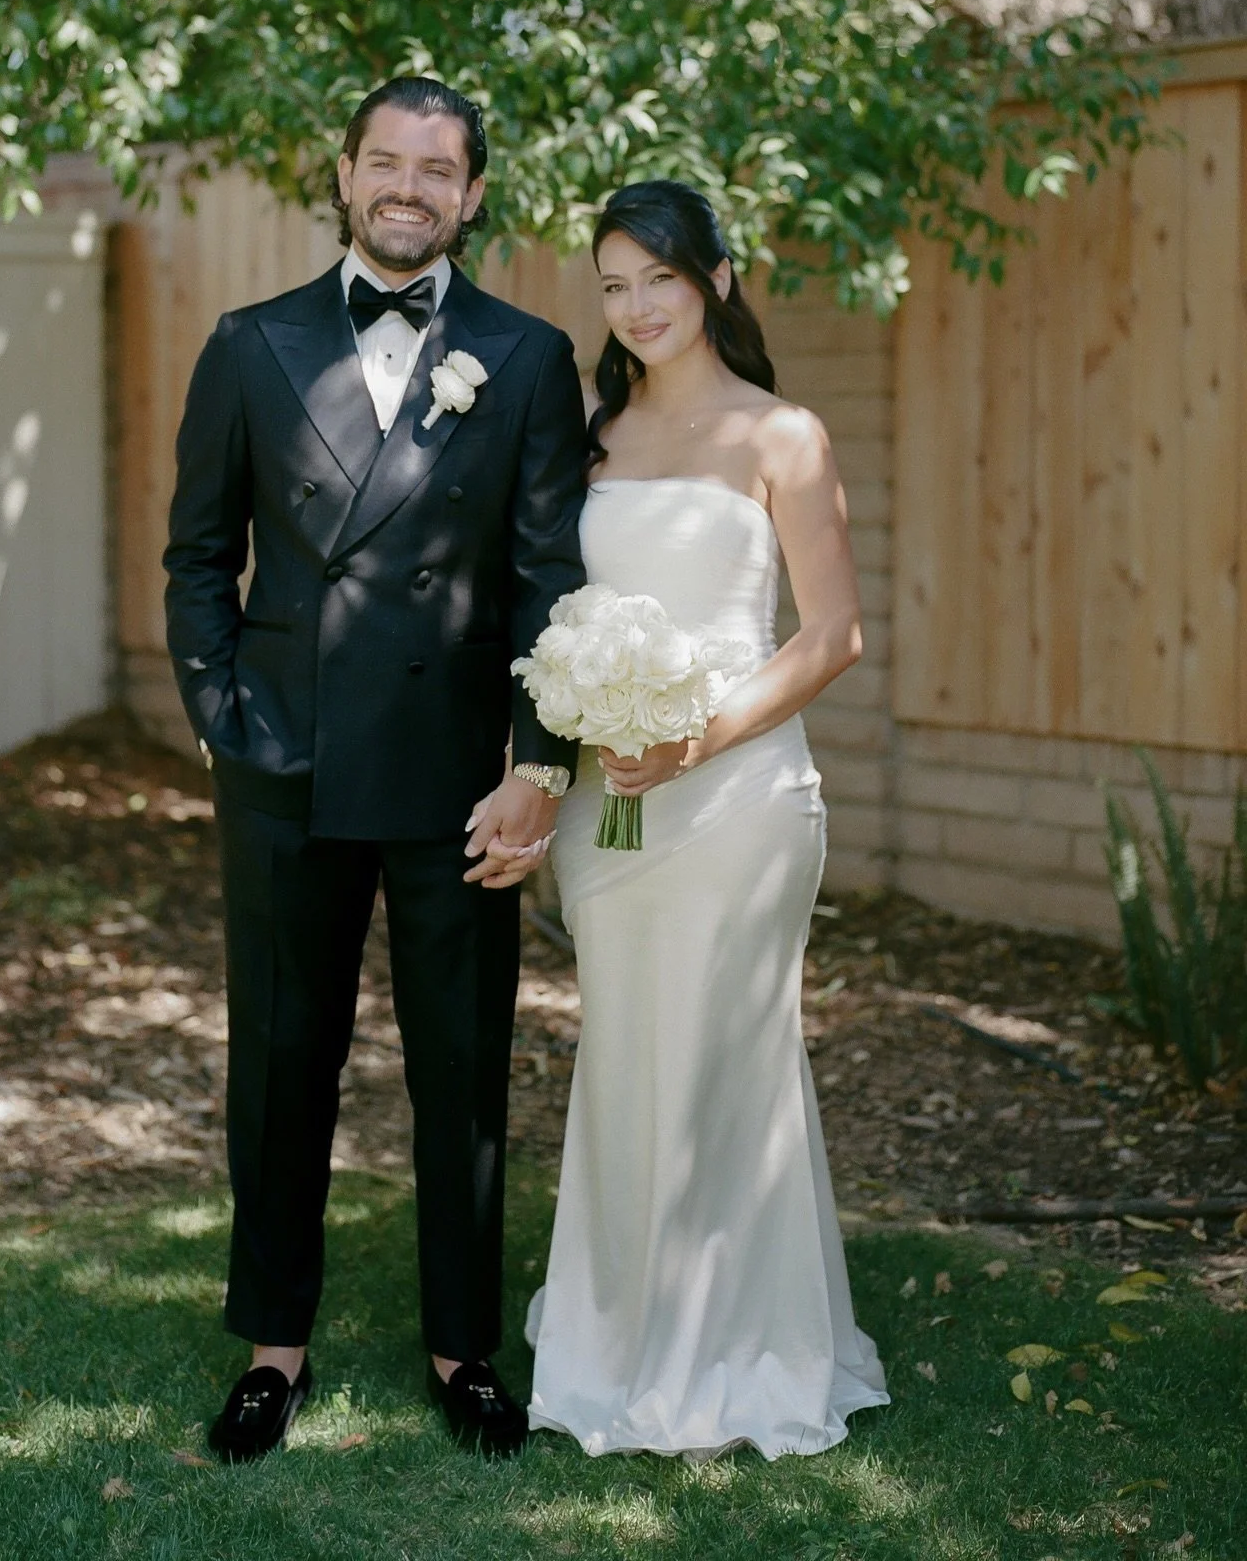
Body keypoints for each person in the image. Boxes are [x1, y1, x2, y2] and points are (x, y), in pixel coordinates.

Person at [164, 77, 587, 1463]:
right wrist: (225, 717)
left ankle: (463, 1350)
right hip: (285, 766)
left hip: (460, 778)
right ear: (345, 174)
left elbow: (548, 579)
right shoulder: (250, 343)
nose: (410, 188)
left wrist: (538, 764)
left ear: (473, 195)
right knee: (282, 1056)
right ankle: (272, 1349)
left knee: (462, 1067)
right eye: (386, 163)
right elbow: (197, 555)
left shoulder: (527, 357)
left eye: (438, 169)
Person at [526, 179, 890, 1458]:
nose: (636, 308)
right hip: (607, 806)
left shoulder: (782, 434)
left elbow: (833, 635)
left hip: (739, 800)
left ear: (717, 280)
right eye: (614, 286)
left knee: (727, 1060)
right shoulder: (590, 438)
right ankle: (618, 1330)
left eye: (660, 280)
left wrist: (698, 739)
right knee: (628, 1055)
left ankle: (738, 1344)